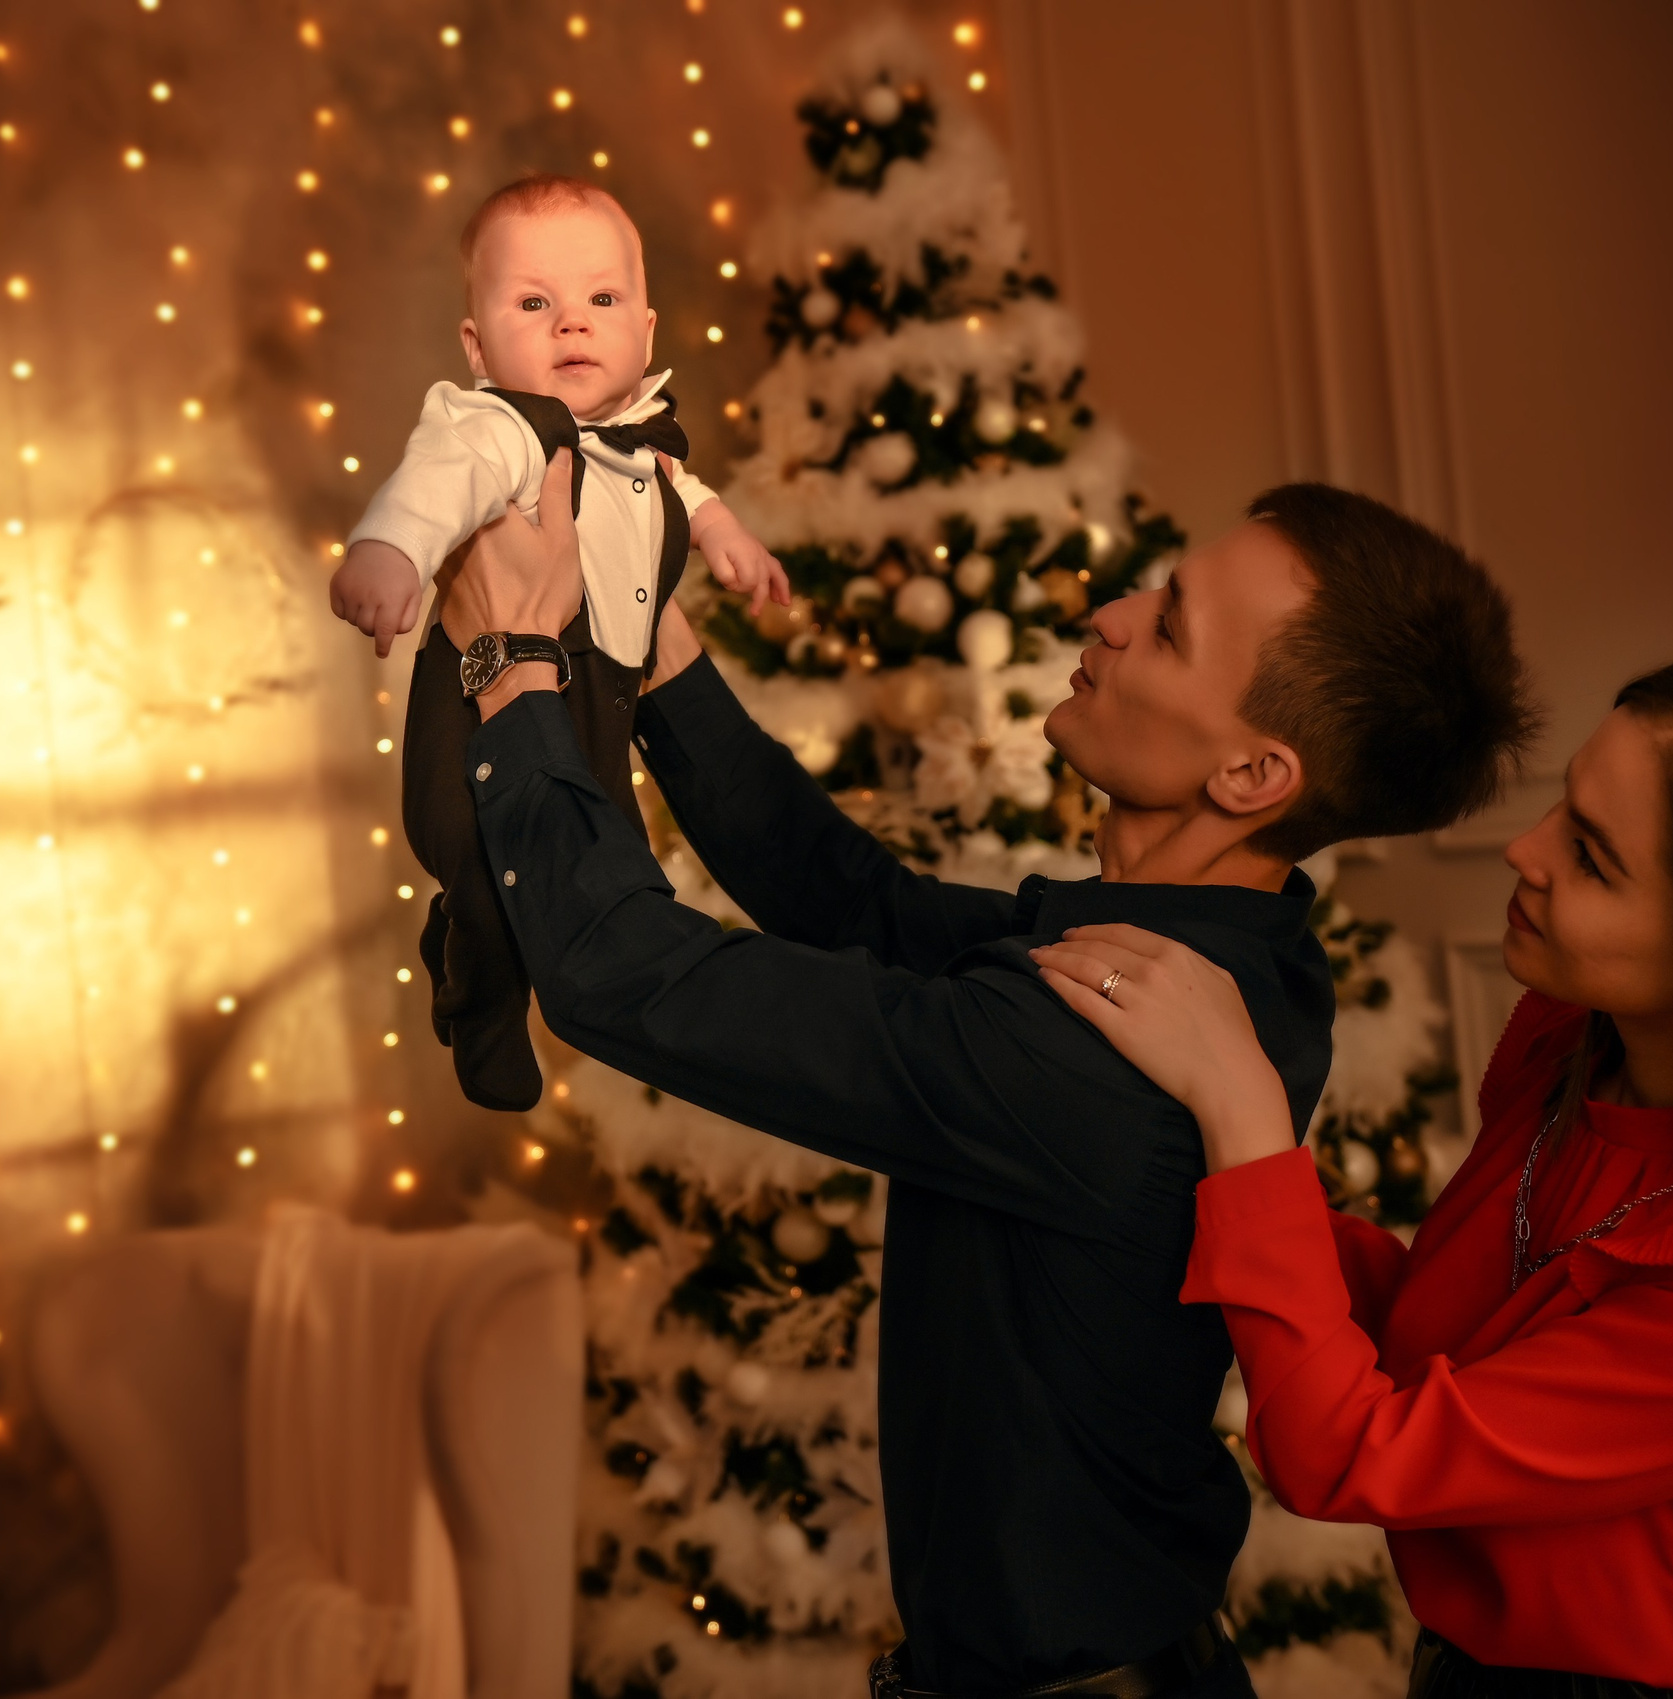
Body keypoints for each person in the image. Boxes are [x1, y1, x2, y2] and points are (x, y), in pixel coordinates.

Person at [441, 454, 1535, 1696]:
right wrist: (648, 637)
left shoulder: (1097, 1047)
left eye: (1165, 629)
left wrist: (508, 663)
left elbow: (623, 972)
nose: (1105, 616)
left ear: (1248, 777)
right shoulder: (1222, 953)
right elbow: (859, 906)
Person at [1031, 649, 1673, 1698]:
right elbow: (1437, 1330)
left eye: (1592, 858)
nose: (1522, 849)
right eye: (1562, 806)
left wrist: (1242, 1115)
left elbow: (1345, 1453)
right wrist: (1200, 1159)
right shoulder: (1577, 1050)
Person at [325, 174, 789, 1111]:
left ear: (646, 332)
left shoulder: (644, 442)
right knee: (491, 865)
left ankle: (509, 953)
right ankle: (480, 993)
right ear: (478, 343)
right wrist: (389, 550)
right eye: (534, 303)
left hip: (606, 700)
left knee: (608, 863)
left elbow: (682, 498)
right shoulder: (497, 429)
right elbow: (434, 487)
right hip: (483, 709)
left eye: (601, 299)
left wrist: (729, 538)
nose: (571, 323)